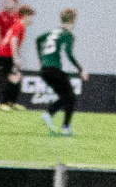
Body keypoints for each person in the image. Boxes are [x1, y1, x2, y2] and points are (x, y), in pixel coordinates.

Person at [33, 8, 83, 136]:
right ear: (73, 21)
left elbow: (38, 40)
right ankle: (65, 128)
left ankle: (49, 114)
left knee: (66, 96)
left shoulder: (53, 32)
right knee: (70, 97)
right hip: (54, 69)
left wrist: (41, 59)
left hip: (44, 70)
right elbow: (69, 54)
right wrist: (81, 70)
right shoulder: (68, 35)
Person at [0, 0, 21, 109]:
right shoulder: (0, 16)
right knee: (3, 74)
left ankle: (11, 101)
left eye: (9, 2)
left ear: (15, 3)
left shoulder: (18, 17)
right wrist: (3, 47)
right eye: (5, 2)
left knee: (14, 75)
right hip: (2, 52)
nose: (7, 4)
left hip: (13, 51)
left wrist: (15, 50)